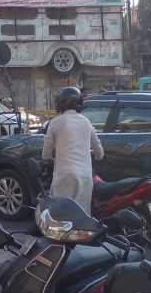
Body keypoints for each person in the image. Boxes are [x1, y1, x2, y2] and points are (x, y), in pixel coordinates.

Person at [41, 86, 104, 214]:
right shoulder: (86, 122)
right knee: (82, 218)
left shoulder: (55, 122)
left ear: (60, 104)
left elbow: (45, 154)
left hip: (64, 176)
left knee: (61, 217)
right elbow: (100, 153)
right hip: (85, 178)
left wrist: (51, 159)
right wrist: (97, 157)